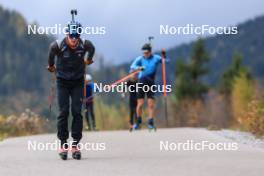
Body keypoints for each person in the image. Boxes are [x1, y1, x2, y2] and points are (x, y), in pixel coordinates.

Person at [47, 10, 95, 160]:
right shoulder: (58, 45)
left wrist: (88, 59)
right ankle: (63, 144)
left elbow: (92, 49)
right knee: (63, 112)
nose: (74, 39)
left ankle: (75, 145)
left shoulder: (84, 44)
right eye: (71, 36)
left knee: (76, 111)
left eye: (77, 36)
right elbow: (51, 55)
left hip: (78, 82)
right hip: (62, 81)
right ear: (67, 34)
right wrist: (51, 66)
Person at [130, 43, 167, 130]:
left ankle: (150, 123)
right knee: (140, 104)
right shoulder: (140, 59)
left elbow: (165, 61)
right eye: (144, 53)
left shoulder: (156, 58)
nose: (145, 54)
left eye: (146, 52)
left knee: (151, 104)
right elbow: (132, 66)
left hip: (151, 83)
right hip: (141, 82)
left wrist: (164, 55)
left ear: (150, 52)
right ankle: (138, 123)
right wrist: (139, 68)